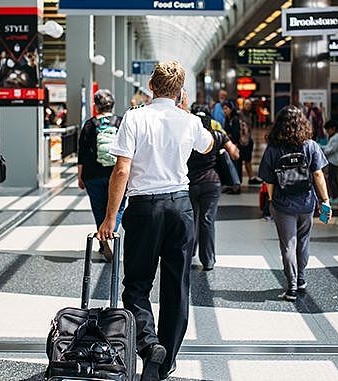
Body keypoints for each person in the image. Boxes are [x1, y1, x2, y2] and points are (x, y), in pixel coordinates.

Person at [97, 60, 213, 381]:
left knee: (136, 284)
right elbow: (208, 144)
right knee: (177, 286)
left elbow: (121, 170)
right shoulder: (188, 121)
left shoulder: (135, 118)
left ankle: (149, 345)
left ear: (151, 86)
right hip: (180, 207)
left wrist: (110, 218)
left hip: (144, 209)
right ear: (179, 91)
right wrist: (187, 112)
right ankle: (164, 363)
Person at [258, 105, 331, 302]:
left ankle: (291, 287)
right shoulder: (310, 146)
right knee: (303, 241)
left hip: (283, 204)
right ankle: (301, 279)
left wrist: (272, 201)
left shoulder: (273, 149)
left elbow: (269, 180)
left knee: (288, 245)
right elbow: (318, 174)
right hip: (306, 202)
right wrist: (325, 200)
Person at [188, 104, 239, 271]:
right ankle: (208, 260)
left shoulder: (187, 137)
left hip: (189, 184)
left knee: (191, 220)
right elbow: (235, 154)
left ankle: (189, 255)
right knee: (207, 220)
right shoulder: (217, 136)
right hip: (212, 183)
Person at [77, 89, 126, 261]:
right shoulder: (120, 122)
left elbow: (82, 152)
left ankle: (104, 240)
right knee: (117, 207)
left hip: (93, 174)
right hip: (116, 173)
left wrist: (80, 176)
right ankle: (110, 235)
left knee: (99, 208)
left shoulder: (89, 125)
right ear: (112, 105)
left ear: (96, 106)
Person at [222, 100, 243, 193]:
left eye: (226, 108)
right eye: (223, 109)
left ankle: (237, 186)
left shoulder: (234, 119)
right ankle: (233, 185)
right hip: (230, 146)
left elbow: (235, 135)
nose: (224, 111)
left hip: (235, 146)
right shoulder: (228, 119)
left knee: (235, 165)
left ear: (231, 109)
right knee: (232, 166)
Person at [322, 120, 338, 204]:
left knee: (332, 180)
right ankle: (335, 195)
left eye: (328, 130)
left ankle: (335, 197)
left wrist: (322, 150)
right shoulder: (334, 137)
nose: (327, 132)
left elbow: (331, 149)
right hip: (333, 161)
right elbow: (328, 147)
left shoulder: (336, 138)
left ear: (333, 129)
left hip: (333, 161)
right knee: (333, 179)